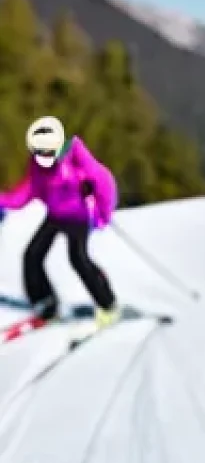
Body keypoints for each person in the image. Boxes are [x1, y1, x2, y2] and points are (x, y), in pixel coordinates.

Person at [0, 116, 119, 324]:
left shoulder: (76, 158)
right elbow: (27, 192)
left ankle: (107, 304)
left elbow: (104, 182)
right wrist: (2, 202)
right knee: (32, 255)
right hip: (55, 216)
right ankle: (45, 302)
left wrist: (103, 214)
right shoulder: (38, 167)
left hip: (78, 217)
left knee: (78, 259)